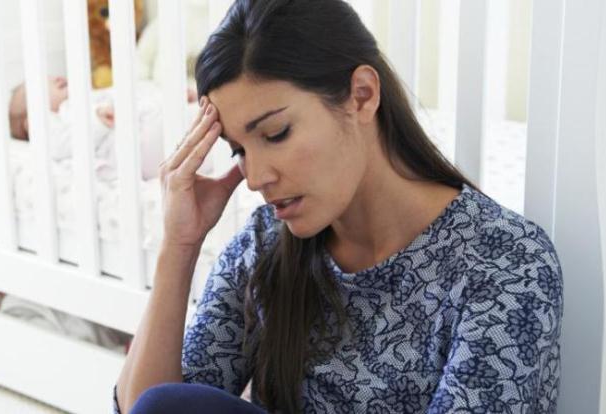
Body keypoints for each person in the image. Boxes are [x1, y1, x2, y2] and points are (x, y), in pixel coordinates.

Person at [115, 0, 563, 413]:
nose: (255, 178)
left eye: (276, 134)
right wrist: (180, 245)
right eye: (239, 150)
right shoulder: (264, 245)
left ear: (362, 95)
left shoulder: (504, 262)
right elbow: (152, 408)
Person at [8, 76, 199, 180]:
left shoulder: (90, 97)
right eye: (43, 84)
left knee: (197, 118)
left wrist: (166, 96)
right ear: (32, 123)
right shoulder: (57, 120)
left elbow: (136, 96)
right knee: (193, 127)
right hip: (136, 148)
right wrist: (98, 121)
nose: (55, 78)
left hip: (149, 123)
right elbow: (60, 144)